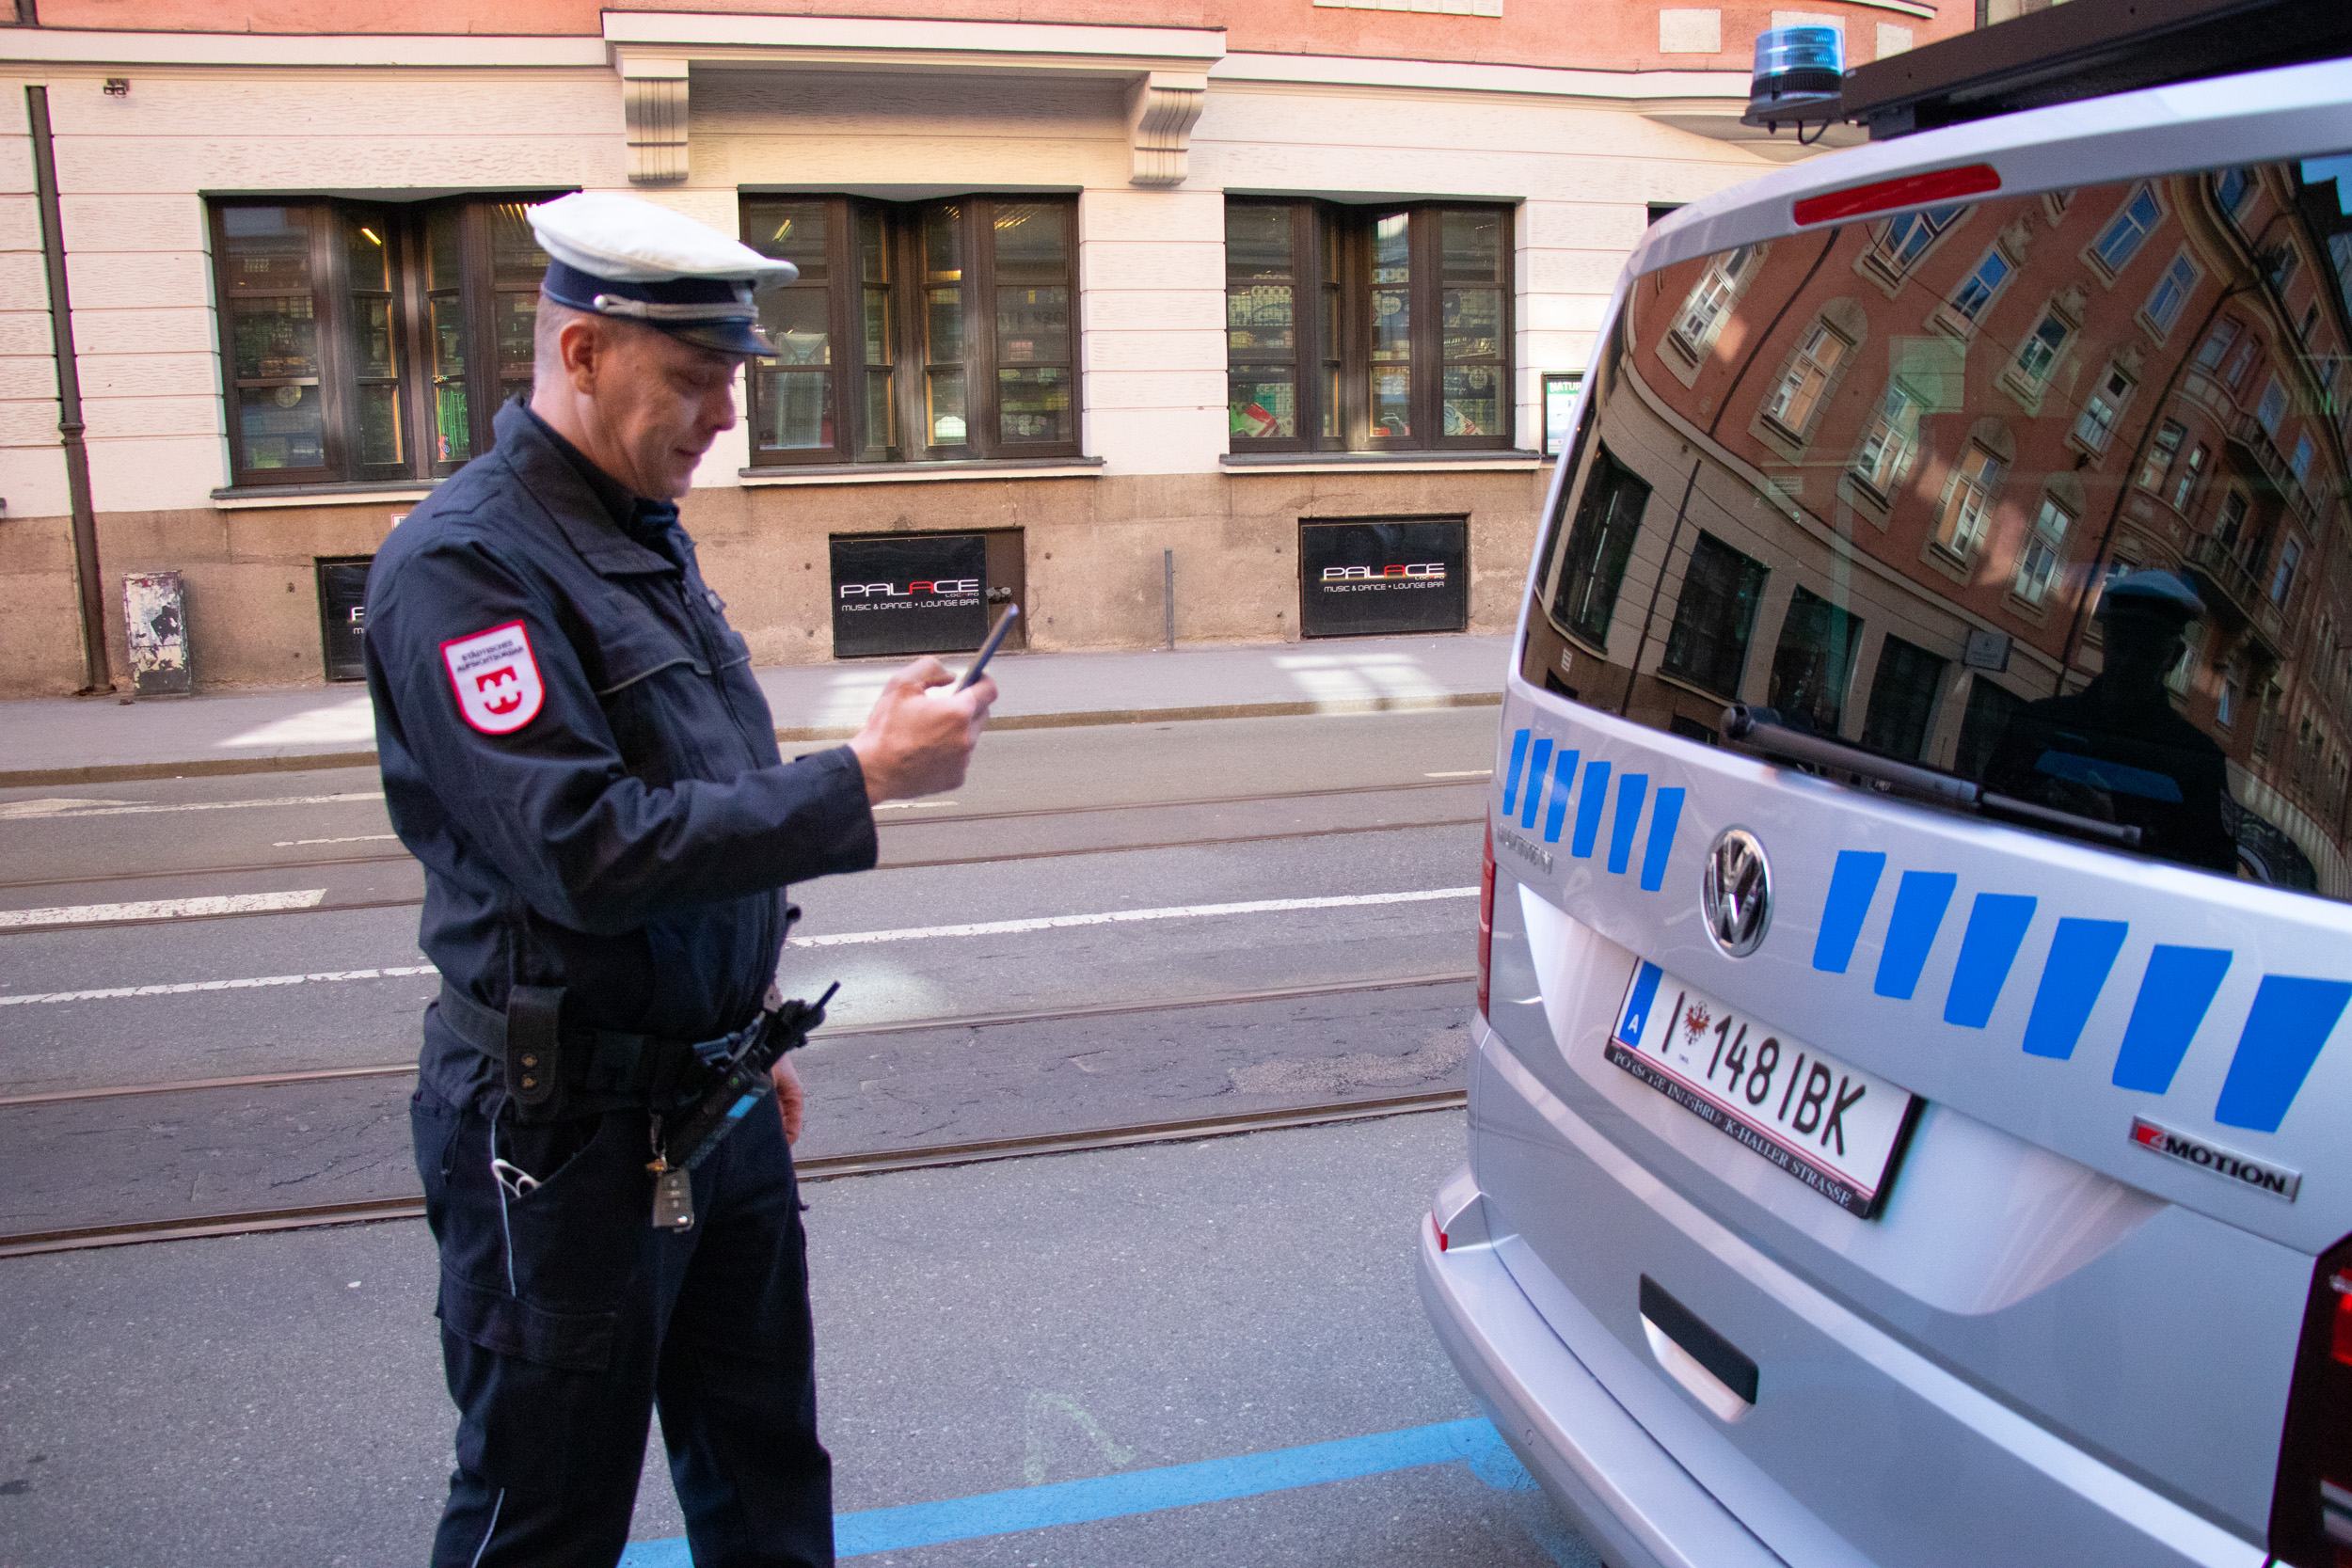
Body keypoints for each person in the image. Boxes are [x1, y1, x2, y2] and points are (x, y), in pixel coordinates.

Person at [362, 190, 995, 1568]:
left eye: (731, 381)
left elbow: (698, 786)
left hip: (710, 1096)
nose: (722, 415)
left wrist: (739, 1013)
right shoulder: (466, 565)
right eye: (695, 378)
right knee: (543, 1509)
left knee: (765, 1466)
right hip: (566, 1131)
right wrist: (866, 776)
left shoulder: (639, 525)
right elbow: (585, 846)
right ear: (582, 354)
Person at [1983, 568, 2238, 873]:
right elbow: (1986, 822)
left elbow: (2210, 875)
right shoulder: (2038, 725)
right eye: (2121, 642)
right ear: (2105, 641)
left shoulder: (2196, 761)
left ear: (2174, 657)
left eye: (2146, 649)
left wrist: (2114, 835)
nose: (2128, 661)